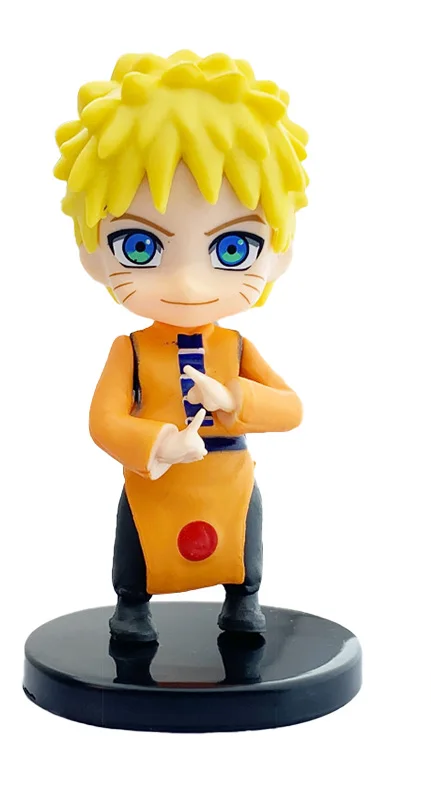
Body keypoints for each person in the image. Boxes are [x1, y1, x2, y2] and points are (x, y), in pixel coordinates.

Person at [54, 51, 307, 642]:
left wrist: (235, 398)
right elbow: (103, 421)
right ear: (94, 253)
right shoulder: (130, 350)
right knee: (138, 548)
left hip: (226, 474)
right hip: (158, 479)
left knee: (243, 542)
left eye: (233, 249)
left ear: (279, 254)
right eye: (140, 247)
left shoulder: (237, 347)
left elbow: (291, 408)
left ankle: (242, 601)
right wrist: (159, 442)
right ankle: (132, 608)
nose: (189, 284)